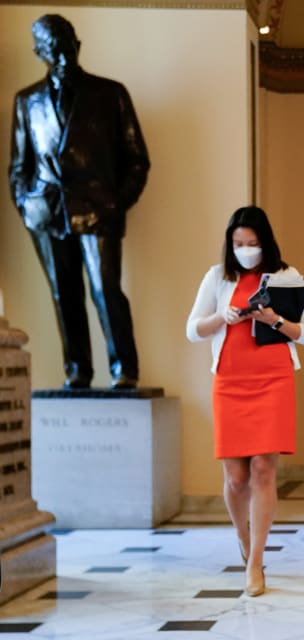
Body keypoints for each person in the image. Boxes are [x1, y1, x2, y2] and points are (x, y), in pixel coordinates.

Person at [8, 14, 150, 389]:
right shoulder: (27, 101)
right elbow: (19, 166)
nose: (61, 53)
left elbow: (137, 159)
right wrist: (26, 205)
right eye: (52, 47)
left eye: (66, 43)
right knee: (63, 293)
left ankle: (124, 370)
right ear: (40, 52)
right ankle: (77, 369)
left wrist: (118, 202)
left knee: (105, 289)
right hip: (46, 212)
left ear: (78, 44)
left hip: (99, 209)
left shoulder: (110, 94)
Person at [185, 206, 304, 596]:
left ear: (265, 243)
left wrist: (272, 319)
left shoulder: (286, 277)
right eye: (238, 244)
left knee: (262, 470)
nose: (244, 250)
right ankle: (244, 541)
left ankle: (256, 562)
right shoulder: (217, 277)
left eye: (252, 243)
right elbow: (193, 330)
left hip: (272, 377)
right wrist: (223, 319)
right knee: (235, 477)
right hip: (229, 379)